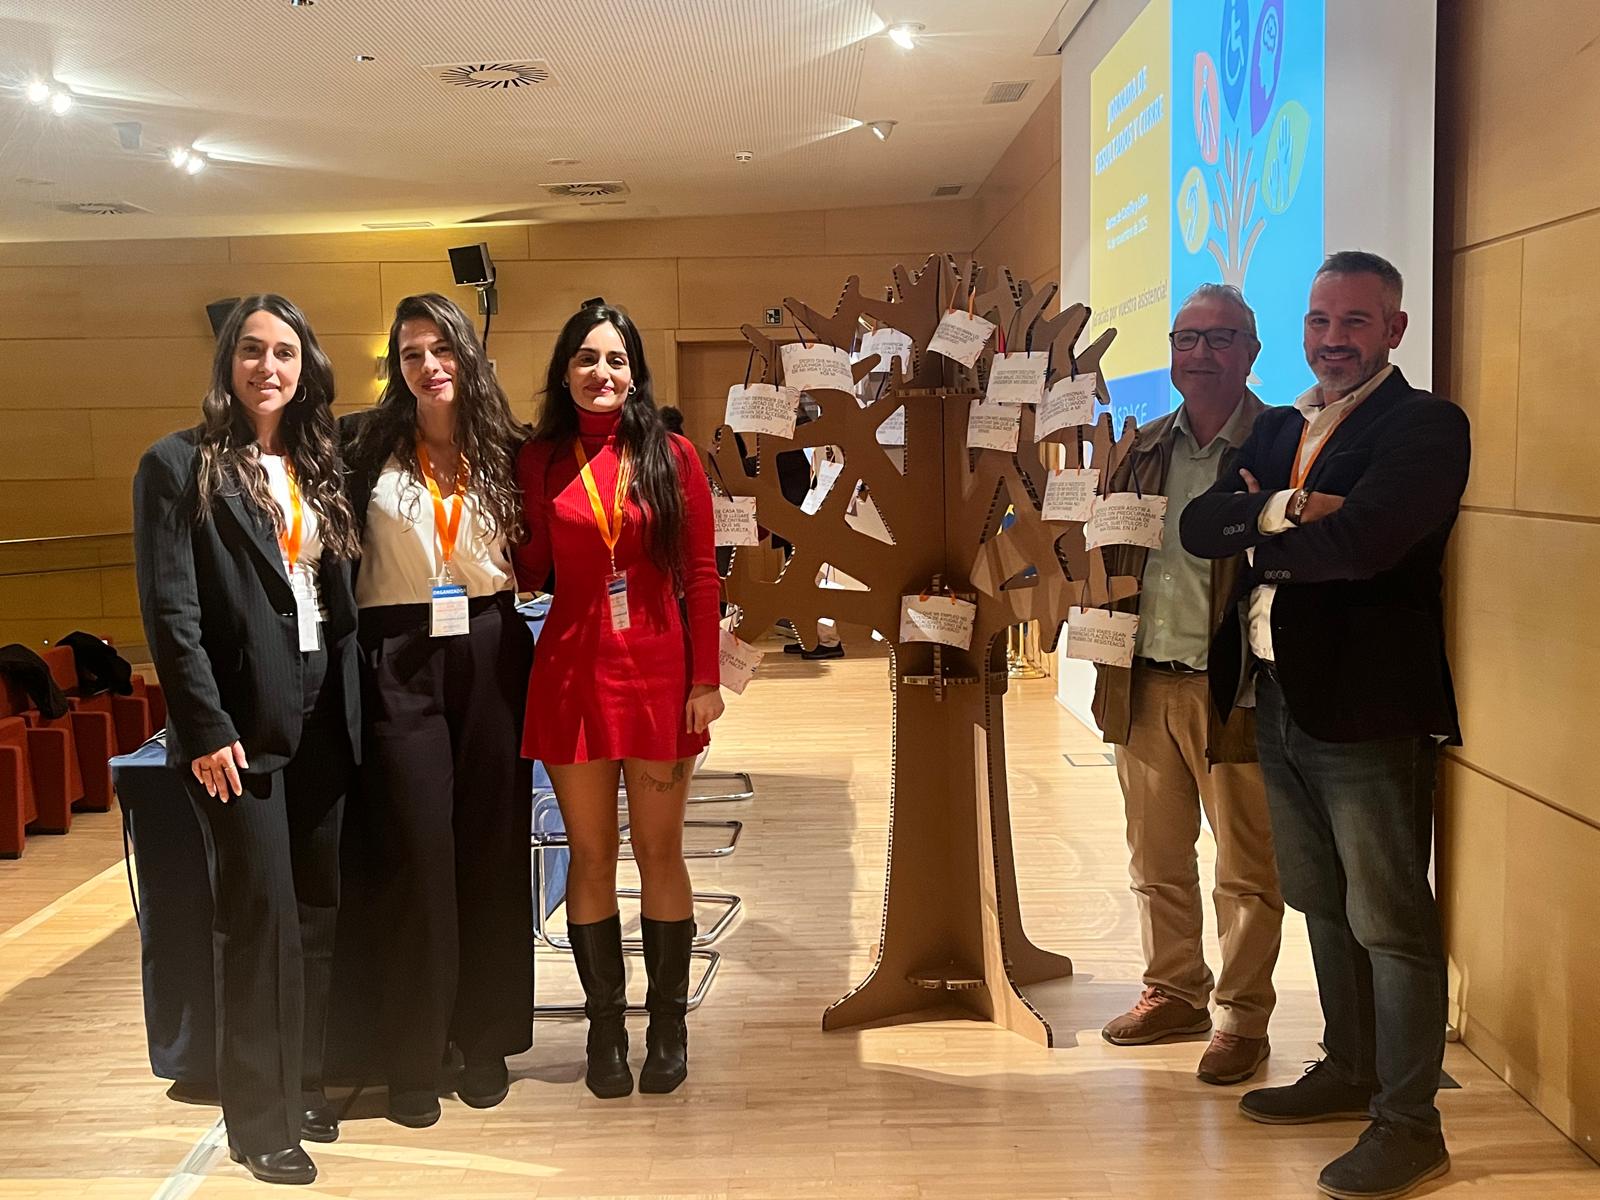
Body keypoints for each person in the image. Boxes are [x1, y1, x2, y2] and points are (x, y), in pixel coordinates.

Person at [1180, 251, 1470, 1200]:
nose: (1332, 340)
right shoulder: (1281, 425)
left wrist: (1260, 530)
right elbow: (1201, 527)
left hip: (1370, 710)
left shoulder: (1425, 425)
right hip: (1280, 699)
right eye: (1319, 320)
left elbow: (1371, 542)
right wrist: (1293, 507)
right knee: (1318, 897)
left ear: (1394, 329)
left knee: (1391, 920)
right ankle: (1349, 1069)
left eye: (1354, 322)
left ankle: (1410, 1124)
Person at [133, 294, 361, 1186]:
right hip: (237, 727)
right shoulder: (177, 465)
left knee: (313, 910)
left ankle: (301, 1085)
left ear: (306, 368)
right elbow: (171, 610)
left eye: (287, 353)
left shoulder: (318, 462)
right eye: (254, 351)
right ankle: (258, 1121)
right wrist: (203, 725)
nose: (271, 367)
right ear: (228, 361)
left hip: (323, 710)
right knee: (258, 918)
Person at [514, 298, 723, 1099]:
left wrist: (706, 678)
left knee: (660, 853)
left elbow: (700, 572)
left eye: (615, 359)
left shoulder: (673, 454)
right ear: (565, 371)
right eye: (586, 359)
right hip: (571, 674)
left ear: (634, 373)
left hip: (660, 675)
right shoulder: (540, 460)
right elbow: (531, 568)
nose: (601, 373)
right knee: (592, 855)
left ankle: (668, 1024)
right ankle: (605, 1029)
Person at [343, 293, 534, 1128]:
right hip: (398, 653)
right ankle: (412, 1054)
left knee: (491, 844)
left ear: (466, 353)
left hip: (489, 645)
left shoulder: (507, 447)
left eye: (441, 348)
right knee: (415, 853)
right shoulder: (363, 447)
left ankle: (485, 1040)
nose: (428, 365)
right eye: (412, 353)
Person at [1093, 283, 1283, 1086]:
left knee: (1246, 869)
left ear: (1251, 352)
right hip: (1143, 681)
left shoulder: (1279, 443)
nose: (1199, 354)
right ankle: (1174, 990)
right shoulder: (1141, 448)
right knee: (1156, 856)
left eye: (1219, 338)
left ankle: (1242, 1018)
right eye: (1186, 339)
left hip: (1234, 690)